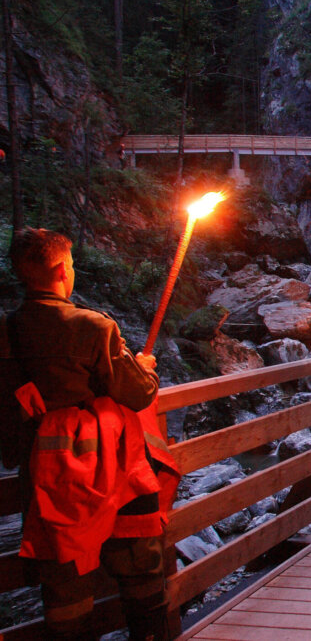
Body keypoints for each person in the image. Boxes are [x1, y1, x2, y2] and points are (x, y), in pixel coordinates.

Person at [0, 228, 171, 640]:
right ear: (63, 269)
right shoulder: (92, 327)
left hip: (49, 477)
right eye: (72, 264)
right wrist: (143, 369)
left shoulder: (7, 331)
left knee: (65, 580)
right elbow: (137, 392)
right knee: (140, 566)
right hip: (115, 467)